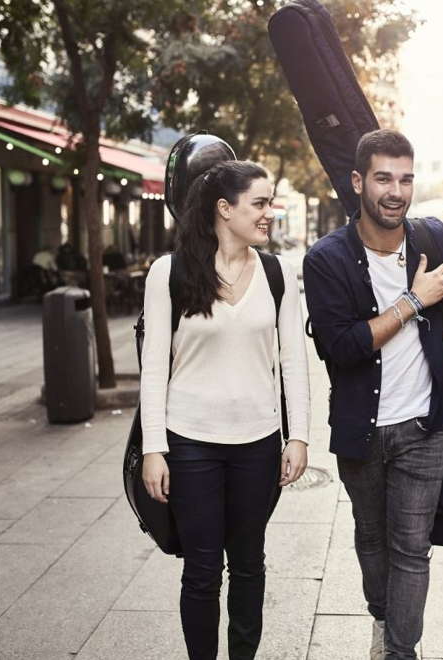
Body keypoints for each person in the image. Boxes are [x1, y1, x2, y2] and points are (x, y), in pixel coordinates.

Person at [303, 129, 443, 660]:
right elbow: (342, 347)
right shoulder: (326, 260)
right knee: (371, 540)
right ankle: (384, 618)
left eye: (406, 179)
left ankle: (400, 650)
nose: (396, 191)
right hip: (360, 431)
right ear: (359, 181)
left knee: (412, 548)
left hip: (424, 427)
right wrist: (414, 300)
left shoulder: (437, 239)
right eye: (384, 178)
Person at [139, 160, 310, 660]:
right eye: (259, 203)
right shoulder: (168, 273)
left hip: (257, 444)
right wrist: (154, 448)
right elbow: (154, 368)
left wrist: (296, 435)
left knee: (250, 565)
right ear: (224, 209)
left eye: (270, 203)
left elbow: (293, 362)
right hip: (190, 443)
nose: (269, 214)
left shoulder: (278, 273)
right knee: (201, 570)